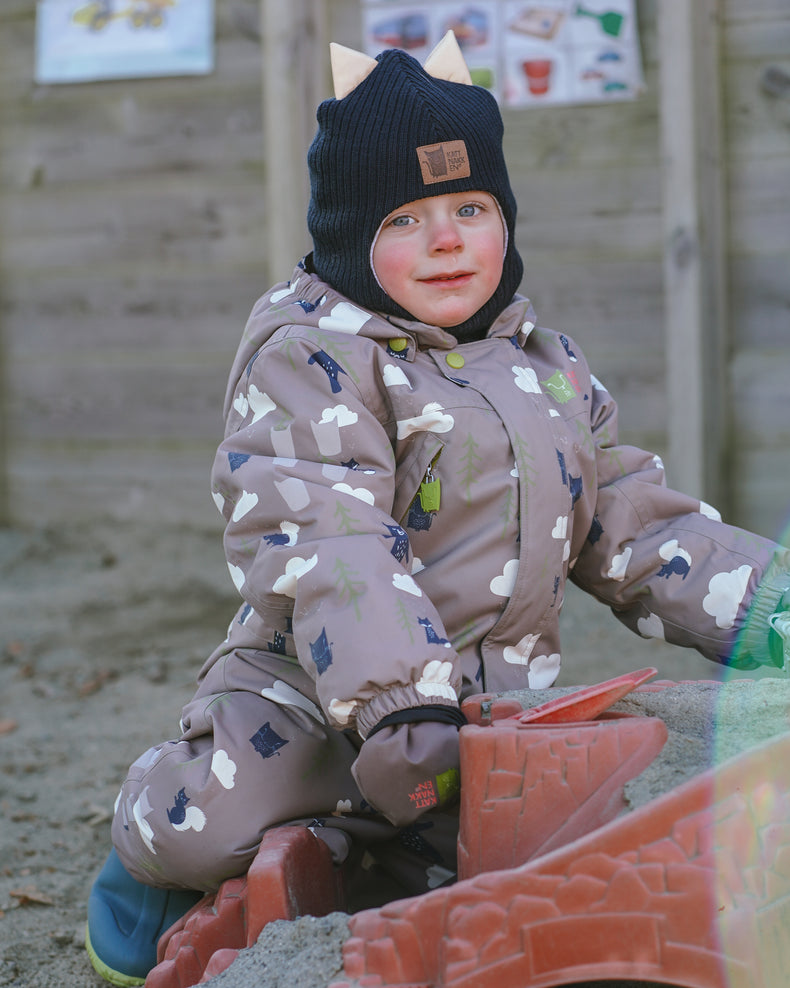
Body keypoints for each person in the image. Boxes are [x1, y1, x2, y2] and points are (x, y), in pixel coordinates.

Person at [86, 32, 790, 985]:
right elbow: (334, 540)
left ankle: (374, 849)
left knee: (527, 823)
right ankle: (143, 863)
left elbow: (635, 519)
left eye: (471, 207)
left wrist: (765, 607)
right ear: (348, 233)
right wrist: (399, 703)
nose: (449, 238)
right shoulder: (311, 359)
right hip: (320, 697)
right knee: (218, 818)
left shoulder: (548, 366)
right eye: (407, 217)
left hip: (493, 708)